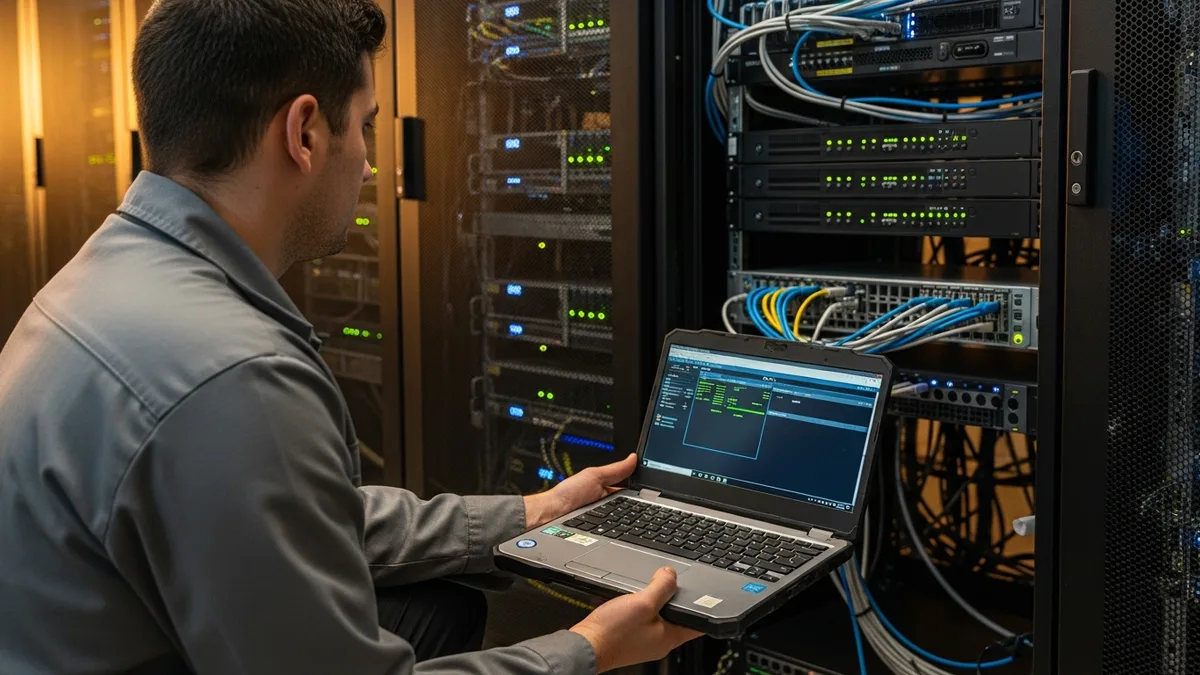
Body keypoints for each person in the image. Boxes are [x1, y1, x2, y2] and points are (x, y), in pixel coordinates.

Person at [0, 1, 700, 673]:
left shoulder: (99, 276)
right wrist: (590, 648)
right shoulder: (236, 376)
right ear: (304, 132)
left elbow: (301, 520)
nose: (369, 164)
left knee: (437, 608)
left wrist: (534, 512)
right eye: (366, 125)